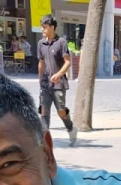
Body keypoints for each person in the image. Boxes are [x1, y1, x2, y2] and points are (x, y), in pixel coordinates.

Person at [37, 14, 76, 145]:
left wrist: (59, 74)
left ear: (52, 27)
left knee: (61, 111)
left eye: (44, 27)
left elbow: (68, 62)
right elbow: (41, 63)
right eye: (41, 27)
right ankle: (43, 141)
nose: (42, 30)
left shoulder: (61, 43)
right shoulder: (41, 44)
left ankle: (70, 128)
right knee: (44, 111)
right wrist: (40, 80)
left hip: (59, 84)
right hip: (45, 84)